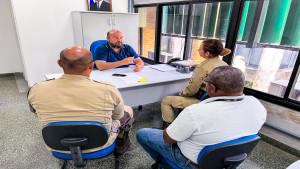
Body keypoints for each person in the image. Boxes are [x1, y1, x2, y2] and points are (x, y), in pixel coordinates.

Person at [137, 66, 267, 169]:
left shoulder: (195, 112)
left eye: (207, 82)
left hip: (192, 162)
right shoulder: (257, 105)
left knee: (142, 133)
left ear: (211, 88)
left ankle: (167, 166)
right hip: (226, 159)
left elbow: (168, 138)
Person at [27, 46, 134, 155]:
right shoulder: (108, 89)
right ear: (92, 65)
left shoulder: (36, 89)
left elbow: (37, 114)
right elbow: (117, 116)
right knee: (127, 110)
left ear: (59, 63)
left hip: (57, 145)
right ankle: (122, 141)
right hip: (100, 144)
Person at [161, 39, 231, 128]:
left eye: (200, 49)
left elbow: (191, 90)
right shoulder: (225, 65)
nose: (198, 50)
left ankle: (168, 130)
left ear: (207, 53)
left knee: (166, 101)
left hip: (202, 101)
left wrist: (183, 93)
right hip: (218, 102)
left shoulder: (202, 67)